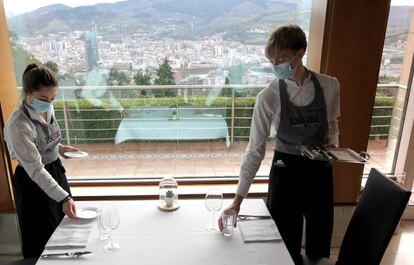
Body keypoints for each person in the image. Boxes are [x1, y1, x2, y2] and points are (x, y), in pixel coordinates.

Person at [219, 24, 340, 264]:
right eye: (272, 61)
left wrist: (334, 150)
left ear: (300, 53)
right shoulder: (268, 97)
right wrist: (236, 201)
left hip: (319, 174)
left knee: (319, 248)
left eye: (282, 59)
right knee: (284, 249)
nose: (276, 66)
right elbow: (254, 151)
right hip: (285, 175)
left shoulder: (329, 86)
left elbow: (332, 125)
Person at [4, 63, 78, 258]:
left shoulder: (47, 107)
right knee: (42, 236)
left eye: (52, 98)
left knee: (64, 227)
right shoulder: (18, 125)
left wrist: (59, 148)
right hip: (32, 181)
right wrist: (63, 197)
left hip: (54, 171)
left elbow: (44, 138)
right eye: (43, 98)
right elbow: (35, 169)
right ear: (27, 93)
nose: (49, 103)